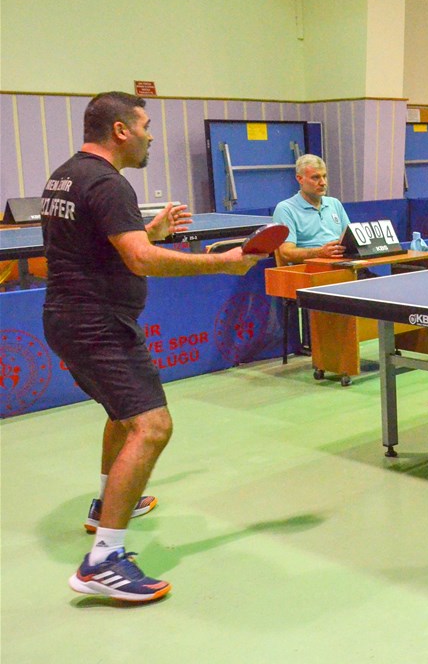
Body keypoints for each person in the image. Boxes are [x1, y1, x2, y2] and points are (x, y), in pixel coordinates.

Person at [43, 92, 261, 602]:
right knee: (152, 426)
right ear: (121, 130)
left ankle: (106, 505)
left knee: (123, 417)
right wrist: (223, 263)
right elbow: (139, 260)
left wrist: (148, 231)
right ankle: (103, 561)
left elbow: (104, 246)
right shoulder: (108, 182)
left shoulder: (66, 175)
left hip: (68, 318)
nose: (150, 135)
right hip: (98, 324)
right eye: (144, 125)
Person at [272, 154, 350, 263]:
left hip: (342, 263)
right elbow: (286, 253)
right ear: (300, 179)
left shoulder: (335, 203)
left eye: (324, 176)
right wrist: (319, 253)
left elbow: (351, 240)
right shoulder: (285, 209)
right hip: (310, 268)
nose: (323, 183)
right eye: (315, 177)